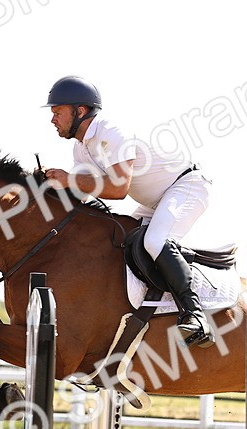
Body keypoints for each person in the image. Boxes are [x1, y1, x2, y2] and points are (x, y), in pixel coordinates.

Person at [42, 76, 214, 348]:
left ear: (80, 111)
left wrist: (68, 179)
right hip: (153, 200)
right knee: (120, 241)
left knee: (154, 241)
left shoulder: (112, 132)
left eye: (57, 112)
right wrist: (42, 188)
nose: (53, 120)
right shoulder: (81, 148)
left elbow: (119, 188)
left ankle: (195, 316)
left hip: (186, 186)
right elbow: (80, 194)